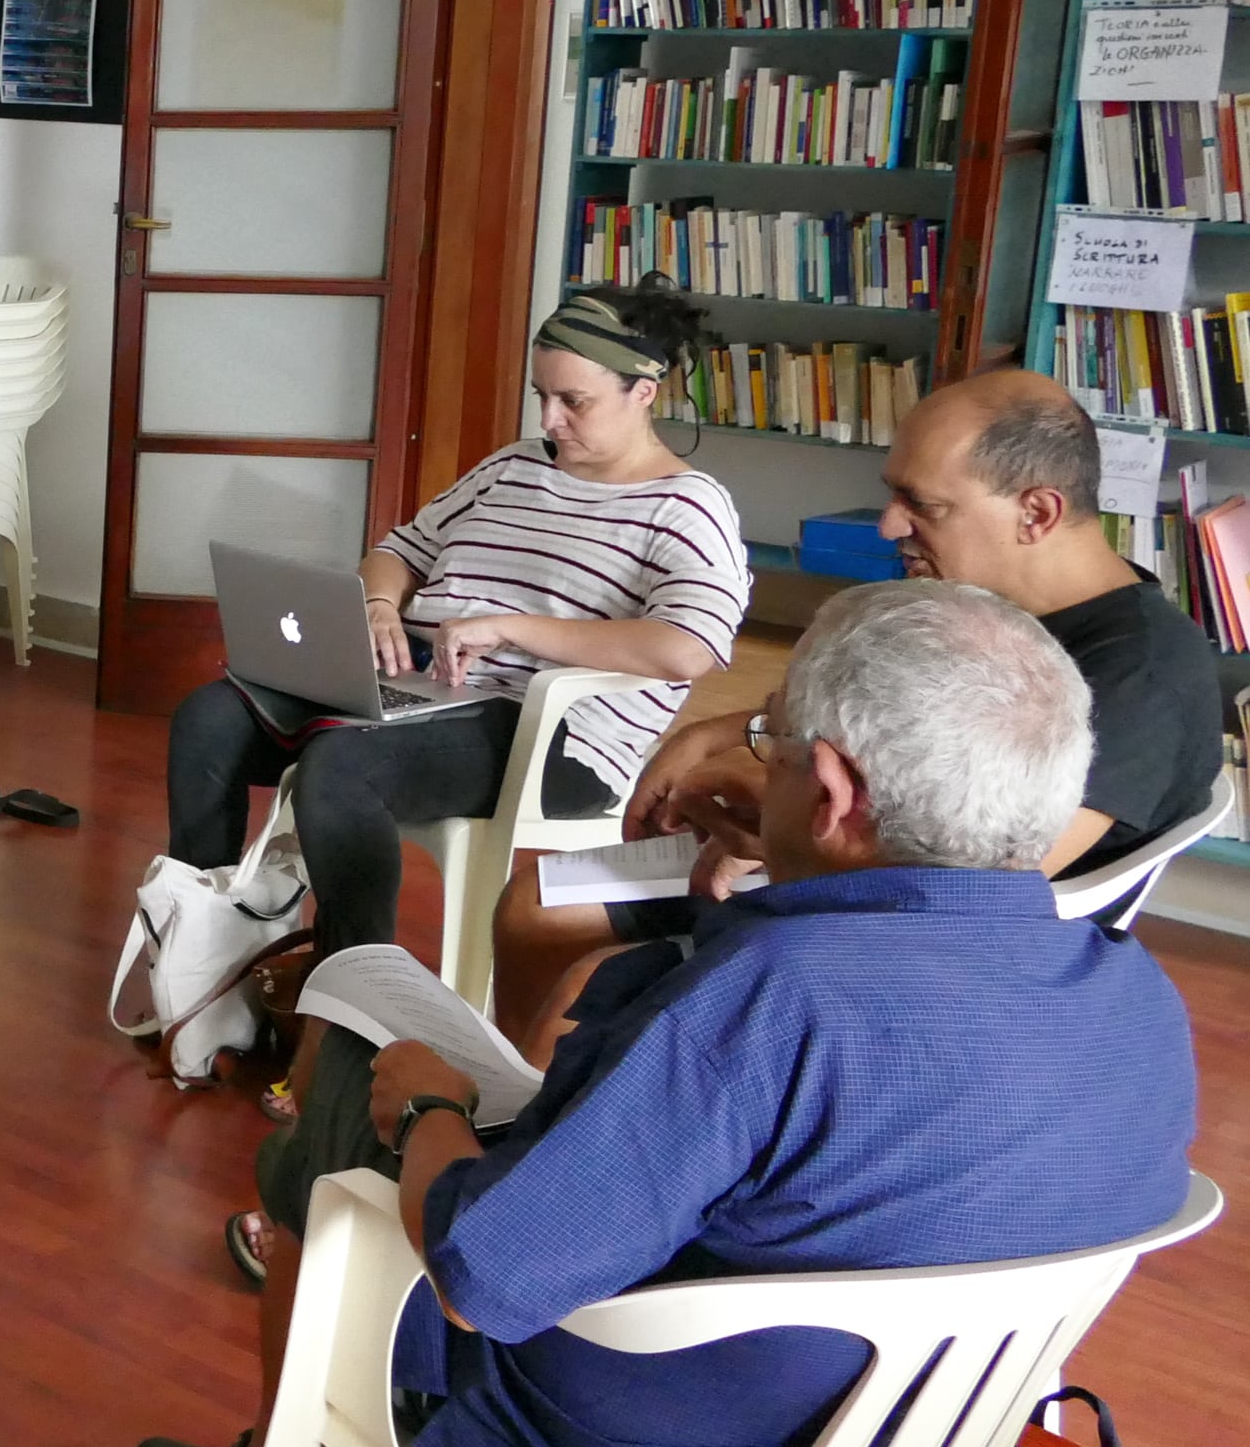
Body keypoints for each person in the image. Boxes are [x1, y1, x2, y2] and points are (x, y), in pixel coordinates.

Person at [134, 580, 1197, 1447]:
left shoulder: (769, 1001)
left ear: (833, 792)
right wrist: (795, 864)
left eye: (772, 742)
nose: (763, 762)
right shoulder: (1136, 995)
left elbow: (482, 1275)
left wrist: (428, 1110)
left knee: (356, 1046)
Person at [489, 367, 1227, 1050]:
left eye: (923, 505)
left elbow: (985, 878)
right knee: (534, 902)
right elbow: (876, 718)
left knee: (577, 974)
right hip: (844, 866)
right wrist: (730, 734)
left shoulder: (1139, 678)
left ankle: (553, 1121)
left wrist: (776, 816)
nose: (889, 526)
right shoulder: (984, 607)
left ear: (1036, 512)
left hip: (913, 938)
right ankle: (521, 1108)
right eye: (893, 494)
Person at [164, 288, 747, 979]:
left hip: (549, 732)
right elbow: (399, 550)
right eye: (541, 396)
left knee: (342, 765)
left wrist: (510, 629)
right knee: (209, 719)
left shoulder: (687, 506)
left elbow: (689, 646)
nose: (550, 419)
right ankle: (204, 962)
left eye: (573, 401)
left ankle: (347, 998)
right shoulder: (513, 467)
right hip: (419, 682)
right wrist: (379, 603)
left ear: (643, 392)